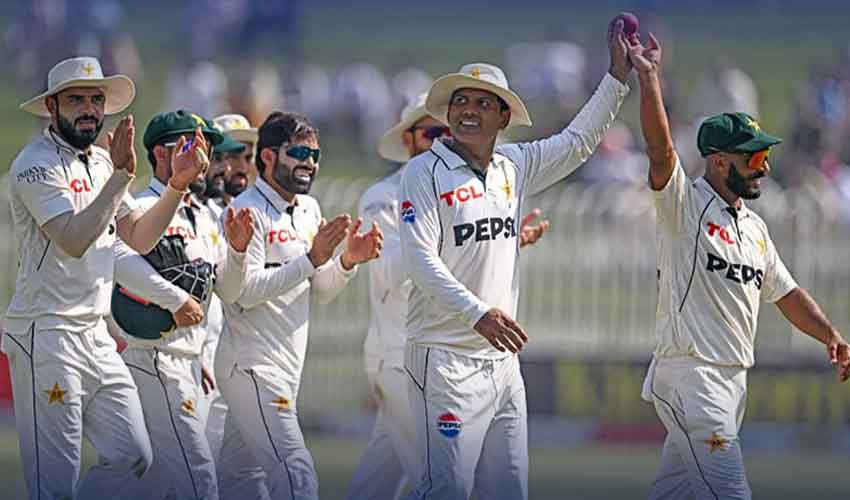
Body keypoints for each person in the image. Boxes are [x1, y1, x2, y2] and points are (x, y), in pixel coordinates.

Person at [398, 17, 633, 500]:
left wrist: (616, 78)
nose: (469, 111)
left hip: (503, 364)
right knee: (446, 490)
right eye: (461, 102)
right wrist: (478, 313)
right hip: (444, 359)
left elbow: (578, 143)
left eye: (483, 103)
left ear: (504, 118)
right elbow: (419, 259)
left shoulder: (514, 166)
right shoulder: (424, 172)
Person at [629, 34, 850, 499]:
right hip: (692, 375)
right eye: (754, 158)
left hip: (731, 380)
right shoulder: (684, 207)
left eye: (765, 156)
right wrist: (650, 80)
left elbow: (786, 293)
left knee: (676, 492)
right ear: (719, 162)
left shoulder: (754, 228)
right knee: (731, 492)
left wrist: (829, 335)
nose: (764, 168)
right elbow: (660, 152)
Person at [3, 56, 209, 499]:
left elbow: (138, 237)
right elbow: (72, 240)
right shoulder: (34, 165)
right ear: (52, 107)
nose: (89, 109)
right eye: (76, 100)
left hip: (96, 335)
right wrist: (120, 178)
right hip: (47, 331)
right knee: (54, 485)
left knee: (134, 456)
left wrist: (176, 186)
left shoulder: (101, 162)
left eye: (96, 100)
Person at [346, 92, 550, 500]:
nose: (443, 138)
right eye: (431, 133)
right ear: (408, 139)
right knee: (447, 484)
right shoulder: (384, 197)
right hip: (401, 356)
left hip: (437, 356)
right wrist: (446, 244)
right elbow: (392, 272)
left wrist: (496, 240)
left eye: (446, 130)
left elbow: (462, 254)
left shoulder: (462, 185)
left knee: (381, 478)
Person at [215, 112, 384, 499]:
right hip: (250, 365)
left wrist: (347, 261)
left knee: (239, 480)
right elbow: (244, 293)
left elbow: (321, 289)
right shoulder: (244, 212)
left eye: (315, 155)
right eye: (299, 153)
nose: (309, 162)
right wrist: (310, 259)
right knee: (296, 473)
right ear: (268, 157)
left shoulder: (308, 209)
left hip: (285, 367)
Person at [109, 110, 255, 499]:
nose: (204, 158)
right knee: (199, 475)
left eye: (208, 148)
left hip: (191, 361)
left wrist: (238, 252)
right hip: (155, 355)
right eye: (192, 146)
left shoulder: (206, 216)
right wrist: (174, 300)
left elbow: (228, 291)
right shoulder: (140, 207)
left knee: (156, 480)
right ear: (161, 153)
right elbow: (121, 264)